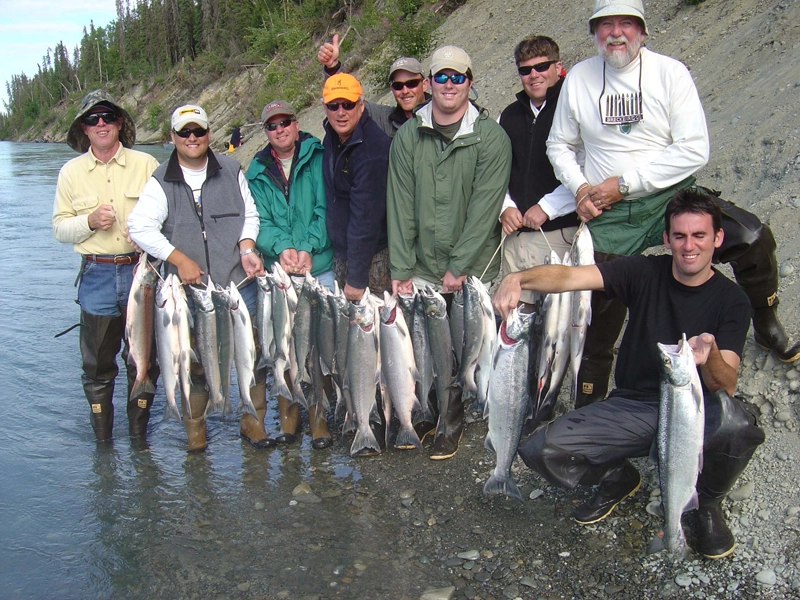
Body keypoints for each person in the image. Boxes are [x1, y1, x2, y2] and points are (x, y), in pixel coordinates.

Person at [547, 0, 799, 407]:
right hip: (610, 214)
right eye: (605, 24)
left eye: (626, 23)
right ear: (594, 33)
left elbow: (694, 149)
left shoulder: (670, 73)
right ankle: (589, 412)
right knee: (596, 316)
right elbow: (558, 145)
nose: (616, 33)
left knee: (752, 237)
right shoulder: (579, 78)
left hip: (672, 198)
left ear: (642, 31)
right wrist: (579, 189)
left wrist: (625, 184)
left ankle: (765, 319)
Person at [493, 189, 765, 560]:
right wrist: (519, 278)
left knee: (738, 424)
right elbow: (568, 277)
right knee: (539, 449)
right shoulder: (643, 271)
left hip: (696, 410)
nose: (689, 246)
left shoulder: (732, 300)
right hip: (634, 406)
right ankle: (617, 477)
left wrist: (710, 356)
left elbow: (726, 383)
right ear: (666, 238)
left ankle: (706, 504)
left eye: (699, 235)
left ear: (717, 238)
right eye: (680, 236)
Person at [387, 45, 512, 459]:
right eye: (441, 76)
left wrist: (459, 267)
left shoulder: (491, 138)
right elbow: (400, 204)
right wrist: (401, 267)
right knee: (426, 345)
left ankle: (453, 418)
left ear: (470, 82)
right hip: (423, 263)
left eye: (458, 77)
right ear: (429, 84)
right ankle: (430, 408)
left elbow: (485, 209)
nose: (449, 84)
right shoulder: (408, 136)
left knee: (462, 346)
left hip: (471, 266)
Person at [128, 104, 267, 452]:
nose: (192, 138)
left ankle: (253, 422)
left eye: (199, 131)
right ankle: (196, 431)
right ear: (173, 137)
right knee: (195, 364)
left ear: (209, 133)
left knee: (253, 353)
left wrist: (247, 247)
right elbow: (139, 227)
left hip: (238, 284)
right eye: (184, 132)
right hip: (188, 291)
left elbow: (250, 214)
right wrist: (179, 259)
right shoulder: (161, 180)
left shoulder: (231, 169)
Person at [52, 90, 160, 443]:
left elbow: (169, 218)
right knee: (97, 365)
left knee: (144, 360)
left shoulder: (147, 165)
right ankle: (103, 444)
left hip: (142, 272)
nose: (101, 123)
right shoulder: (70, 173)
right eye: (92, 118)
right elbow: (59, 228)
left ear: (119, 123)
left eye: (108, 116)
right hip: (95, 275)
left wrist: (148, 237)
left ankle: (139, 439)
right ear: (83, 128)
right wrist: (88, 221)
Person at [246, 99, 334, 450]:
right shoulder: (256, 171)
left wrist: (308, 247)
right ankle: (289, 417)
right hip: (278, 273)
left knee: (318, 346)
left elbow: (326, 208)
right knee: (281, 344)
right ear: (266, 132)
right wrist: (282, 248)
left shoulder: (320, 157)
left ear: (297, 125)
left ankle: (319, 418)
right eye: (272, 125)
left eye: (285, 122)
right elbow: (258, 221)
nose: (280, 129)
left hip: (319, 268)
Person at [498, 35, 579, 306]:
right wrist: (505, 207)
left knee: (559, 322)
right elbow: (494, 172)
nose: (534, 75)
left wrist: (547, 207)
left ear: (558, 67)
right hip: (516, 239)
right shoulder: (507, 117)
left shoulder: (576, 108)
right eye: (525, 70)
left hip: (560, 234)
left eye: (541, 67)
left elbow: (589, 168)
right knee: (516, 319)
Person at [321, 73, 392, 302]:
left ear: (361, 106)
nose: (340, 112)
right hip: (344, 254)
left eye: (348, 104)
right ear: (325, 108)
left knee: (376, 321)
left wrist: (357, 278)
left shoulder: (373, 150)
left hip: (372, 260)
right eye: (333, 106)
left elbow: (366, 220)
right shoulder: (332, 138)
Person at [317, 34, 430, 138]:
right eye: (398, 85)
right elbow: (350, 103)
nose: (405, 91)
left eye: (411, 83)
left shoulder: (438, 114)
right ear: (392, 89)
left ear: (425, 84)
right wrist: (333, 67)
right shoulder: (385, 118)